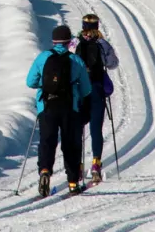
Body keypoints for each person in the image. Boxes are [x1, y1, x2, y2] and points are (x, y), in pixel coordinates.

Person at [26, 23, 94, 197]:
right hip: (70, 108)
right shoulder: (76, 60)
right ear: (69, 41)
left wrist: (46, 84)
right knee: (70, 144)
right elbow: (87, 89)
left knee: (47, 141)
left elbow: (30, 82)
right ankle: (72, 182)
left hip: (47, 106)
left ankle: (45, 171)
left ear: (54, 40)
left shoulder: (42, 58)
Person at [75, 12, 120, 184]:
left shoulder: (74, 43)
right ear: (97, 26)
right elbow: (112, 64)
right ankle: (95, 164)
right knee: (96, 128)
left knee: (78, 129)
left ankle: (77, 165)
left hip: (79, 89)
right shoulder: (102, 44)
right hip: (96, 88)